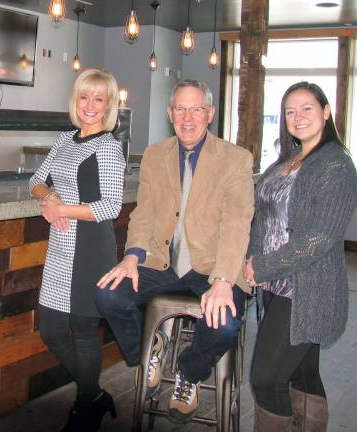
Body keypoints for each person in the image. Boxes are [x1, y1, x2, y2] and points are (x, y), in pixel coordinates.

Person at [95, 79, 254, 424]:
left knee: (225, 323)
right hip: (162, 263)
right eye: (180, 108)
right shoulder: (155, 155)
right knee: (107, 295)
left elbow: (237, 223)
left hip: (211, 266)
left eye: (196, 108)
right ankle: (149, 352)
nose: (187, 117)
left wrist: (225, 279)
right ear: (170, 114)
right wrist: (131, 257)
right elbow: (145, 213)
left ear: (210, 113)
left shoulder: (235, 159)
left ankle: (189, 372)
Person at [243, 82, 357, 431]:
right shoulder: (287, 161)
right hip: (275, 285)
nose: (298, 116)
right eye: (290, 110)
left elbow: (319, 239)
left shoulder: (336, 165)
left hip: (308, 289)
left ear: (326, 112)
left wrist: (261, 265)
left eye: (307, 108)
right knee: (303, 374)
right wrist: (252, 261)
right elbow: (262, 218)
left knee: (266, 378)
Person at [29, 68, 126, 432]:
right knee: (52, 330)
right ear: (76, 100)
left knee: (84, 331)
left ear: (108, 106)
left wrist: (60, 209)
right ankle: (95, 394)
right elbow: (36, 181)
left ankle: (85, 407)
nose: (90, 105)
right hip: (60, 247)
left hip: (89, 248)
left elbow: (110, 206)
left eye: (98, 99)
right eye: (85, 97)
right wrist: (50, 196)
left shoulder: (108, 147)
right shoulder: (64, 139)